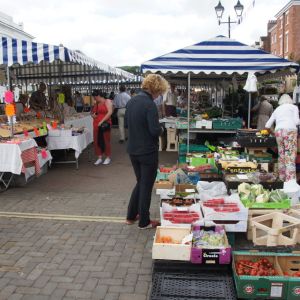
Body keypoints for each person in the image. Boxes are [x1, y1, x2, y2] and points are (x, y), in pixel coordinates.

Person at [125, 74, 168, 229]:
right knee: (146, 185)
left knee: (141, 182)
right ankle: (144, 221)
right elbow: (154, 130)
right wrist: (162, 128)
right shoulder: (149, 105)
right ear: (156, 89)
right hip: (147, 151)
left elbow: (127, 125)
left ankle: (131, 215)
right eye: (160, 92)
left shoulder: (131, 101)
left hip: (133, 149)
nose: (159, 96)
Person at [265, 94, 300, 182]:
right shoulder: (294, 107)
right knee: (290, 156)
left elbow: (267, 125)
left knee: (281, 155)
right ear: (290, 100)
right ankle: (290, 181)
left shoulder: (277, 109)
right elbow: (296, 121)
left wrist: (273, 133)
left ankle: (282, 178)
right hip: (290, 131)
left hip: (279, 132)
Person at [91, 90, 113, 166]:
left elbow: (110, 112)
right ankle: (99, 157)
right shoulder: (96, 103)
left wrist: (102, 121)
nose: (95, 99)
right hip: (96, 124)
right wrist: (93, 115)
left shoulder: (107, 101)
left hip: (105, 124)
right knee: (97, 140)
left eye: (95, 97)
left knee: (105, 140)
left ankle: (107, 157)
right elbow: (93, 113)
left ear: (99, 96)